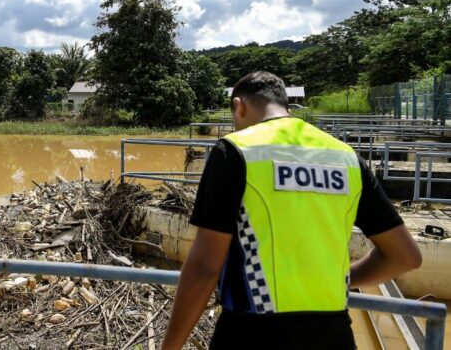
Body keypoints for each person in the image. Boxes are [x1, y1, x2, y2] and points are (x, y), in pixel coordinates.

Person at [162, 71, 422, 350]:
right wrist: (343, 279)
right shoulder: (345, 157)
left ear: (239, 106)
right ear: (286, 105)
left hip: (251, 334)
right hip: (333, 336)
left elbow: (204, 267)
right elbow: (404, 257)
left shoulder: (236, 151)